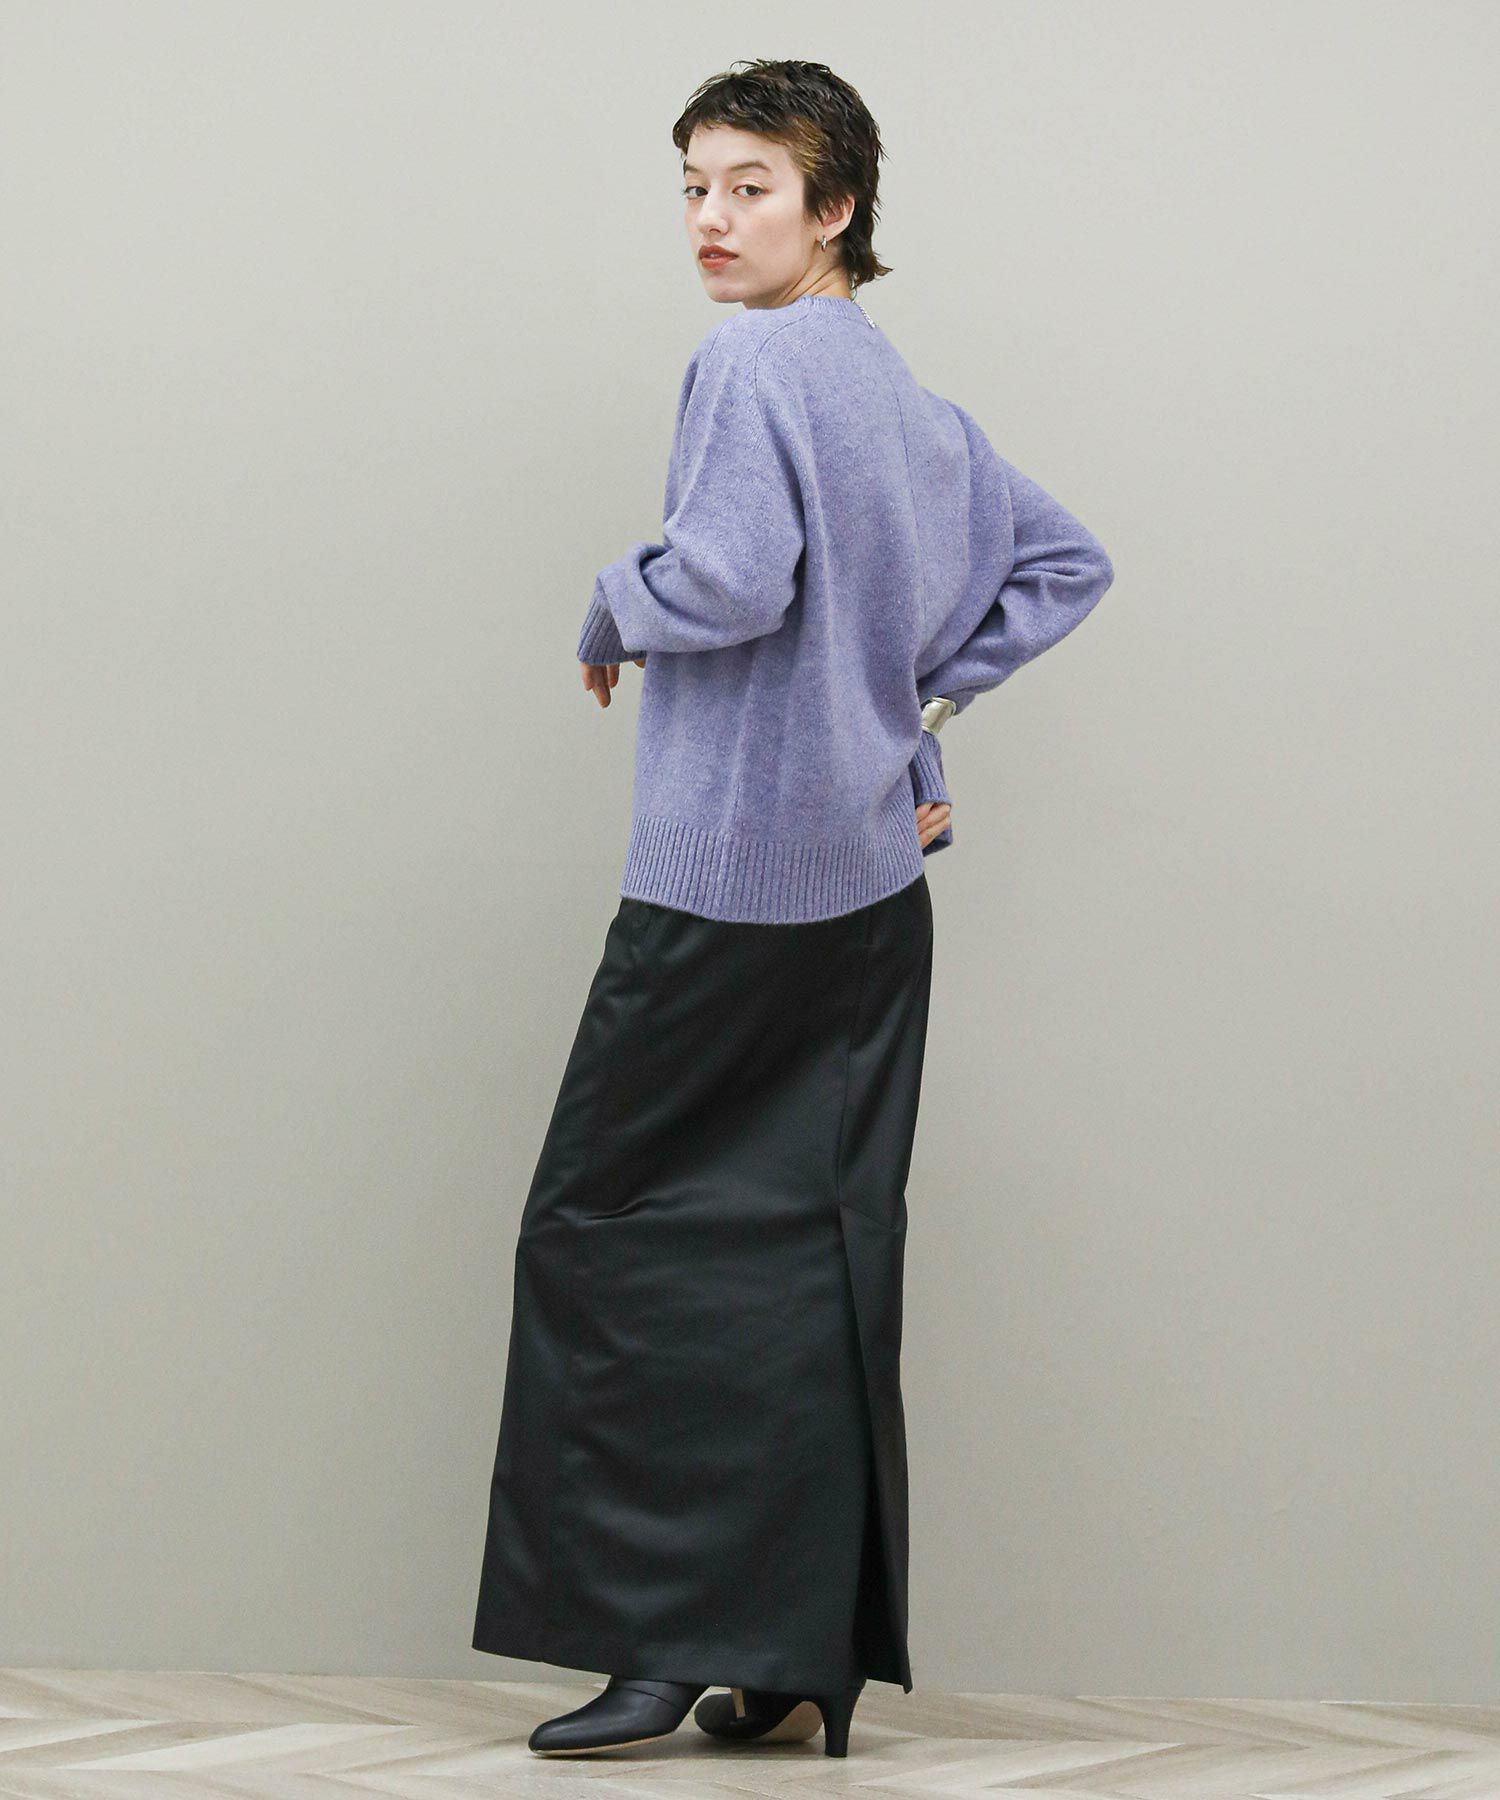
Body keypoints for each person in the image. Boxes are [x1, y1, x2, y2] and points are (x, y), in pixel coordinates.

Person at [471, 59, 1115, 1761]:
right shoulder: (899, 394)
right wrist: (915, 718)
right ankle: (787, 1654)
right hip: (870, 896)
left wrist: (610, 603)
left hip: (727, 891)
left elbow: (733, 575)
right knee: (811, 1256)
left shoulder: (752, 361)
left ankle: (654, 1644)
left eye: (750, 186)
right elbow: (1064, 562)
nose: (711, 218)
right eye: (694, 186)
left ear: (835, 210)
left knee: (616, 1237)